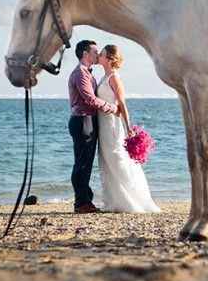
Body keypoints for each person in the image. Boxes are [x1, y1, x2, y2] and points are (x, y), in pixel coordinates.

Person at [96, 45, 161, 213]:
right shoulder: (104, 76)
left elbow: (122, 104)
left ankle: (133, 200)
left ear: (109, 59)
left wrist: (127, 127)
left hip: (112, 124)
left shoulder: (114, 77)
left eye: (101, 54)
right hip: (103, 124)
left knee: (118, 159)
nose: (98, 56)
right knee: (108, 161)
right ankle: (115, 200)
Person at [68, 40, 118, 214]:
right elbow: (90, 99)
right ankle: (81, 203)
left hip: (87, 120)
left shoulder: (88, 73)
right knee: (82, 163)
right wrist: (112, 108)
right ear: (85, 54)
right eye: (95, 52)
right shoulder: (81, 74)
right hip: (83, 120)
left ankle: (84, 200)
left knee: (85, 162)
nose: (98, 55)